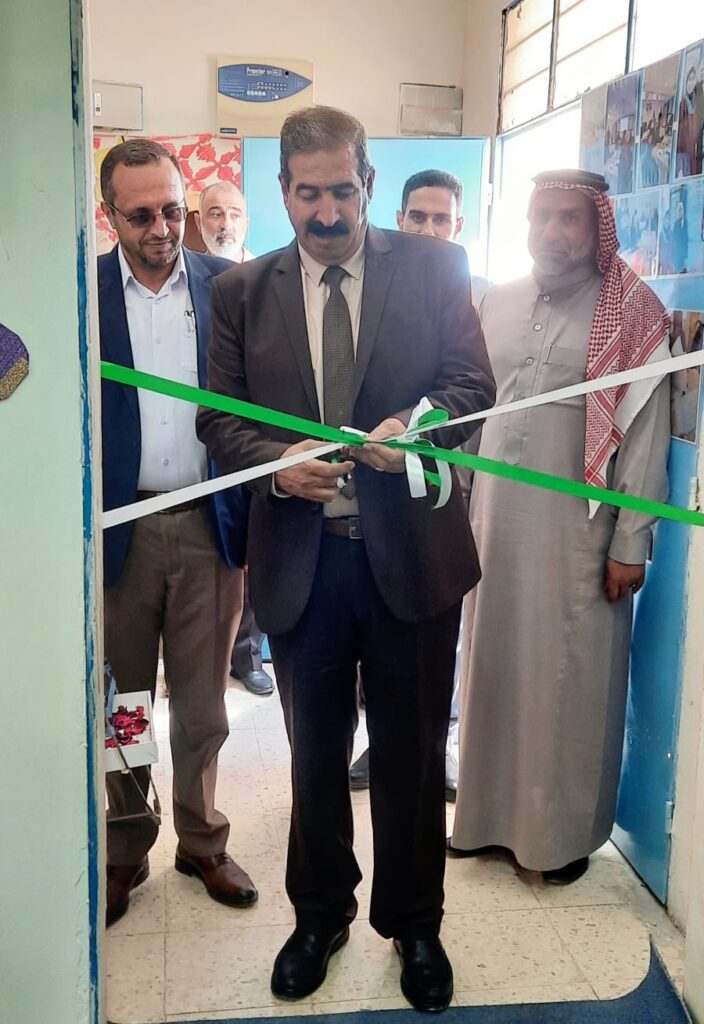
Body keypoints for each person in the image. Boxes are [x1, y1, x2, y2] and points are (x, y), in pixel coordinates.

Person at [197, 106, 495, 1012]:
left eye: (341, 191)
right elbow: (219, 417)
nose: (326, 212)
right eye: (307, 194)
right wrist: (277, 467)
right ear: (282, 190)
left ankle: (415, 925)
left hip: (413, 561)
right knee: (315, 757)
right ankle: (319, 916)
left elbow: (472, 387)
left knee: (411, 757)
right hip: (304, 566)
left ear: (368, 182)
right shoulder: (241, 292)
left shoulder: (437, 268)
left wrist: (415, 428)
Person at [449, 168, 671, 886]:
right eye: (540, 215)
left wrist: (630, 540)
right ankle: (482, 820)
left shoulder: (632, 311)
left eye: (568, 217)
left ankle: (561, 837)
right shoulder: (496, 300)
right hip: (491, 521)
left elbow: (643, 437)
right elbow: (471, 412)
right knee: (490, 667)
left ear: (597, 224)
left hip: (579, 532)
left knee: (568, 680)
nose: (551, 231)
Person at [99, 139, 256, 926]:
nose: (161, 228)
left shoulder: (227, 287)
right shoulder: (80, 292)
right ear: (110, 216)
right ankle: (127, 843)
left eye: (171, 210)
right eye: (141, 216)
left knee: (203, 707)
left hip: (207, 526)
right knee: (125, 705)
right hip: (117, 533)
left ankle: (201, 840)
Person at [349, 168, 490, 798]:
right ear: (397, 219)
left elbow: (474, 390)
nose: (428, 230)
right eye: (417, 218)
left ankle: (438, 748)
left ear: (459, 227)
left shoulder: (478, 293)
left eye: (441, 220)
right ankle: (377, 745)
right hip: (368, 501)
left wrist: (419, 429)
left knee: (432, 660)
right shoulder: (369, 284)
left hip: (447, 498)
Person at [195, 181, 273, 697]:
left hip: (260, 439)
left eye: (233, 214)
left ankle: (249, 653)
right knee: (212, 555)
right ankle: (206, 657)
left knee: (256, 547)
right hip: (205, 436)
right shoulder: (191, 279)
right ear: (199, 222)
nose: (224, 224)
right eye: (214, 214)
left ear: (247, 221)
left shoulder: (269, 280)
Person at [195, 181, 253, 263]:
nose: (226, 225)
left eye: (235, 216)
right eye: (216, 214)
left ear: (246, 224)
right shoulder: (186, 270)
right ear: (199, 223)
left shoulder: (266, 270)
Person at [673, 200, 688, 272]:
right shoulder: (676, 224)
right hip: (678, 255)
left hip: (686, 255)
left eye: (681, 209)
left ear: (684, 210)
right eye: (679, 210)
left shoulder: (687, 222)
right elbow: (675, 239)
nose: (680, 212)